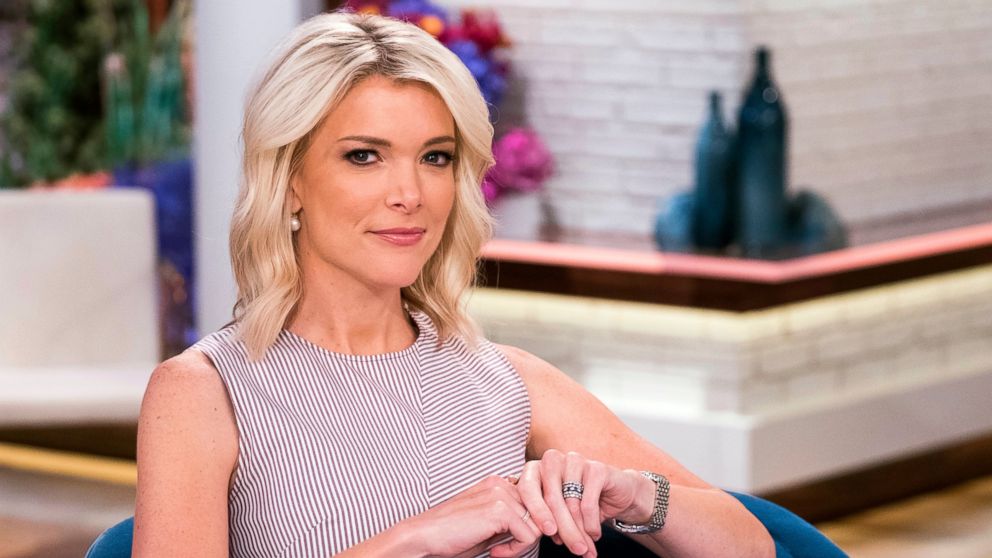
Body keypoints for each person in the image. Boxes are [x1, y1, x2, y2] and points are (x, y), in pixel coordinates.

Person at [133, 11, 774, 558]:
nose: (410, 194)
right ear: (290, 179)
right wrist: (412, 541)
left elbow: (755, 545)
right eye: (364, 156)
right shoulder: (204, 393)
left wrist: (636, 498)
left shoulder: (505, 380)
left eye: (435, 158)